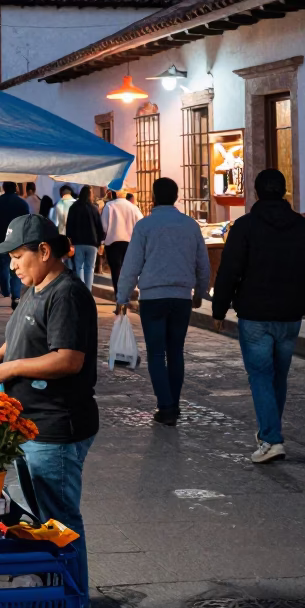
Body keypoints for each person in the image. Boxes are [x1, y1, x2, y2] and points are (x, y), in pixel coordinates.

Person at [0, 213, 98, 608]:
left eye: (17, 256)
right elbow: (25, 333)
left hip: (56, 427)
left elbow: (67, 359)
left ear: (44, 252)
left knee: (61, 523)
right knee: (45, 519)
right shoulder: (37, 287)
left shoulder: (67, 293)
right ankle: (58, 596)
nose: (12, 265)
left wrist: (9, 370)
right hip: (32, 424)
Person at [212, 168, 305, 463]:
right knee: (278, 375)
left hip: (255, 313)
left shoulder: (244, 226)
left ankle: (271, 438)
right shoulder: (303, 228)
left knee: (260, 375)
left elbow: (229, 270)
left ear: (256, 192)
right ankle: (269, 432)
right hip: (291, 312)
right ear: (284, 192)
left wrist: (219, 309)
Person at [117, 177, 210, 425]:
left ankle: (166, 406)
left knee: (157, 354)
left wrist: (122, 296)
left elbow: (132, 263)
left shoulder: (145, 226)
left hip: (153, 298)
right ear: (177, 196)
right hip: (181, 297)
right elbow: (202, 262)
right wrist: (201, 291)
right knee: (176, 351)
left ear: (154, 197)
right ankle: (174, 403)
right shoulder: (190, 225)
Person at [0, 182, 30, 308]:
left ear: (4, 188)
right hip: (17, 241)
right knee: (16, 269)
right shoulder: (22, 203)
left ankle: (5, 290)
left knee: (3, 267)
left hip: (0, 240)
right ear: (16, 188)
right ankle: (16, 296)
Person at [102, 192, 144, 295]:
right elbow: (141, 223)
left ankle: (118, 294)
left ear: (113, 195)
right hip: (129, 243)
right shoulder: (133, 207)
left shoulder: (109, 206)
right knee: (128, 270)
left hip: (112, 242)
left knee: (116, 270)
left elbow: (104, 225)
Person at [65, 186, 105, 291]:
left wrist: (69, 240)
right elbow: (99, 226)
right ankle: (88, 291)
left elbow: (69, 226)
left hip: (78, 243)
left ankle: (81, 291)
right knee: (90, 268)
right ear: (90, 195)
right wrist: (101, 241)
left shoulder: (73, 208)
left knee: (79, 267)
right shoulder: (94, 209)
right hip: (92, 243)